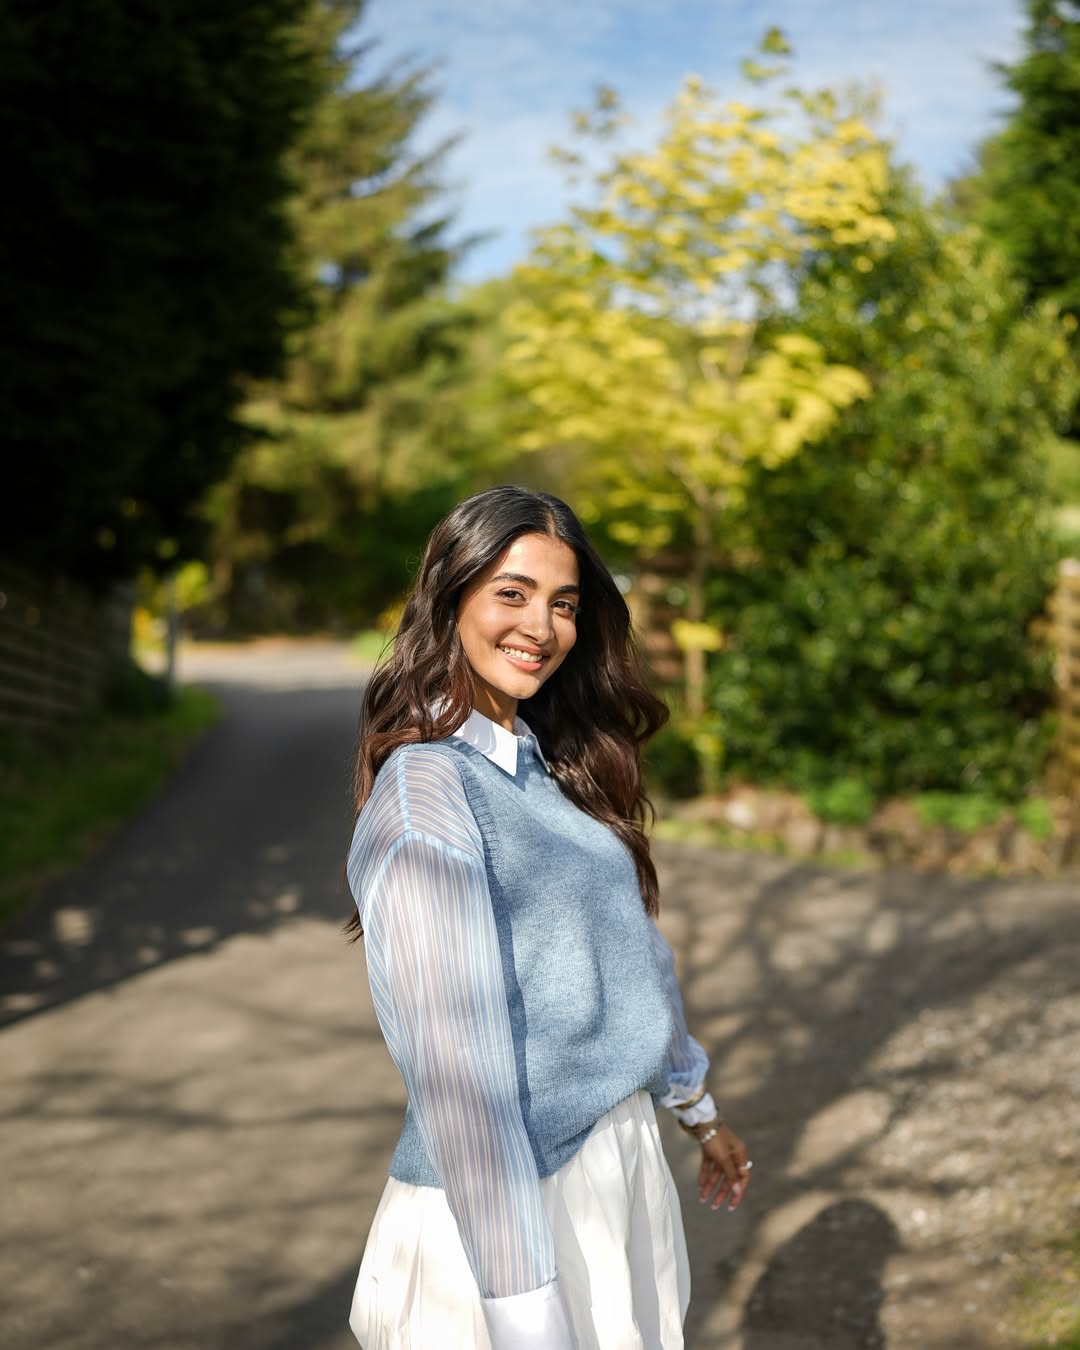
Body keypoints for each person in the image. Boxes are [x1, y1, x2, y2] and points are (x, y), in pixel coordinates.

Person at [344, 486, 751, 1350]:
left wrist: (696, 1108)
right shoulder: (427, 796)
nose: (542, 625)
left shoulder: (548, 770)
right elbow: (461, 1080)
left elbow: (635, 955)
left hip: (616, 1178)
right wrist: (526, 1316)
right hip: (510, 1221)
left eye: (564, 603)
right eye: (512, 592)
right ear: (451, 599)